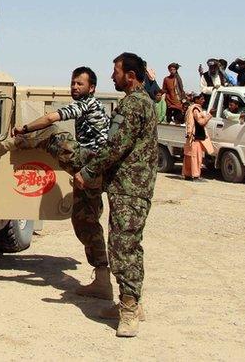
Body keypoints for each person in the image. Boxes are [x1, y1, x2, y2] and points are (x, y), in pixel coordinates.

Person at [10, 66, 113, 300]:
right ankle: (102, 279)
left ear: (92, 88)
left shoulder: (88, 103)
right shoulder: (92, 106)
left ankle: (11, 143)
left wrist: (23, 129)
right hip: (94, 170)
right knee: (84, 220)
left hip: (92, 163)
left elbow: (50, 118)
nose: (75, 87)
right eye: (73, 83)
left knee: (53, 132)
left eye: (80, 84)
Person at [72, 52, 157, 338]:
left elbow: (115, 146)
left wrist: (88, 172)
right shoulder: (138, 101)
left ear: (130, 76)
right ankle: (130, 303)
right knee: (128, 244)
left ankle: (130, 311)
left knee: (123, 247)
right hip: (129, 186)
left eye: (116, 72)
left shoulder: (133, 104)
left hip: (130, 189)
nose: (112, 76)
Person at [184, 93, 213, 181]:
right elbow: (201, 122)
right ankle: (195, 176)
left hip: (192, 137)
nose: (203, 101)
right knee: (196, 157)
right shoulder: (196, 109)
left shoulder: (191, 108)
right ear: (196, 100)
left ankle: (188, 175)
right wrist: (210, 115)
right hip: (195, 137)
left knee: (189, 157)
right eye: (201, 99)